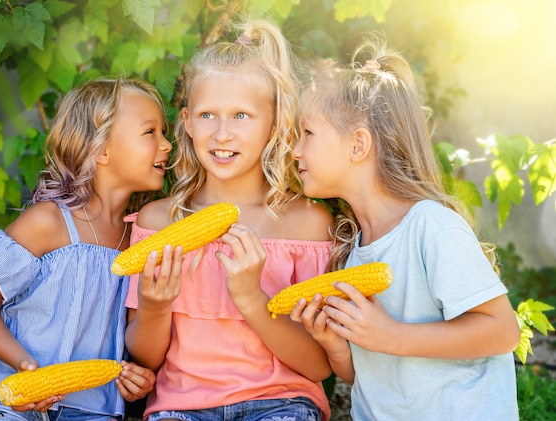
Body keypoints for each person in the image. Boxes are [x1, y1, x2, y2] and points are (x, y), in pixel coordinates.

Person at [290, 36, 521, 420]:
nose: (295, 151)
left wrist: (393, 335)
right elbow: (366, 374)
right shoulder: (352, 251)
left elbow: (502, 331)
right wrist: (335, 345)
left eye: (308, 134)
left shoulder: (431, 226)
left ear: (358, 144)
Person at [124, 18, 335, 421]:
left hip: (281, 403)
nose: (222, 133)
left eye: (241, 116)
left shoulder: (307, 224)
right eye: (207, 115)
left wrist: (253, 300)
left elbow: (319, 366)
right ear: (186, 121)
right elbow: (146, 359)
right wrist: (153, 305)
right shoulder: (158, 221)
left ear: (274, 124)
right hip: (180, 408)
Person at [0, 77, 173, 421]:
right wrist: (24, 367)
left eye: (165, 132)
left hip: (96, 413)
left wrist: (138, 376)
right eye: (151, 132)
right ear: (101, 149)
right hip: (21, 408)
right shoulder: (49, 223)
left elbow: (134, 336)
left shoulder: (141, 239)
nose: (167, 145)